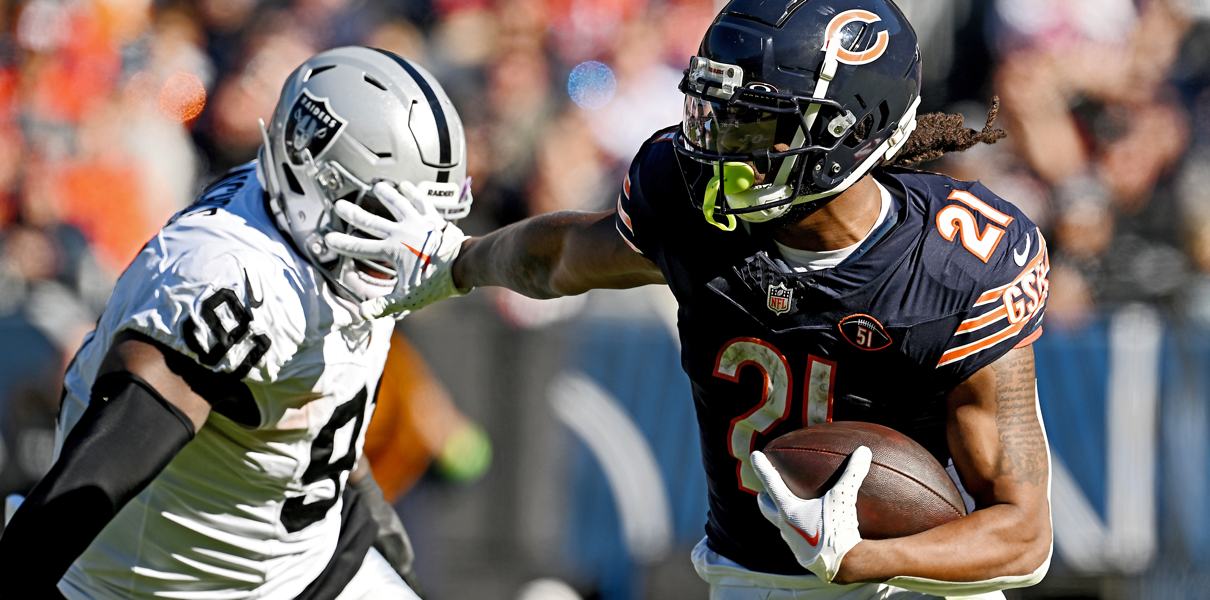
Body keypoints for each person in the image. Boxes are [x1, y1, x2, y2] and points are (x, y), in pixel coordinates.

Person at [335, 0, 1054, 598]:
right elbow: (564, 256)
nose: (720, 144)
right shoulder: (690, 208)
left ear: (850, 129)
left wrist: (861, 557)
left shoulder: (955, 264)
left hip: (916, 586)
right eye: (718, 112)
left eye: (757, 123)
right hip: (749, 578)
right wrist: (458, 262)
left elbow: (1023, 536)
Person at [0, 46, 472, 599]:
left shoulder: (318, 241)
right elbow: (98, 475)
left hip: (298, 566)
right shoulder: (235, 275)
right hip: (148, 586)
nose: (406, 246)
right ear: (318, 179)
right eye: (385, 215)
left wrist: (363, 512)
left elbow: (304, 405)